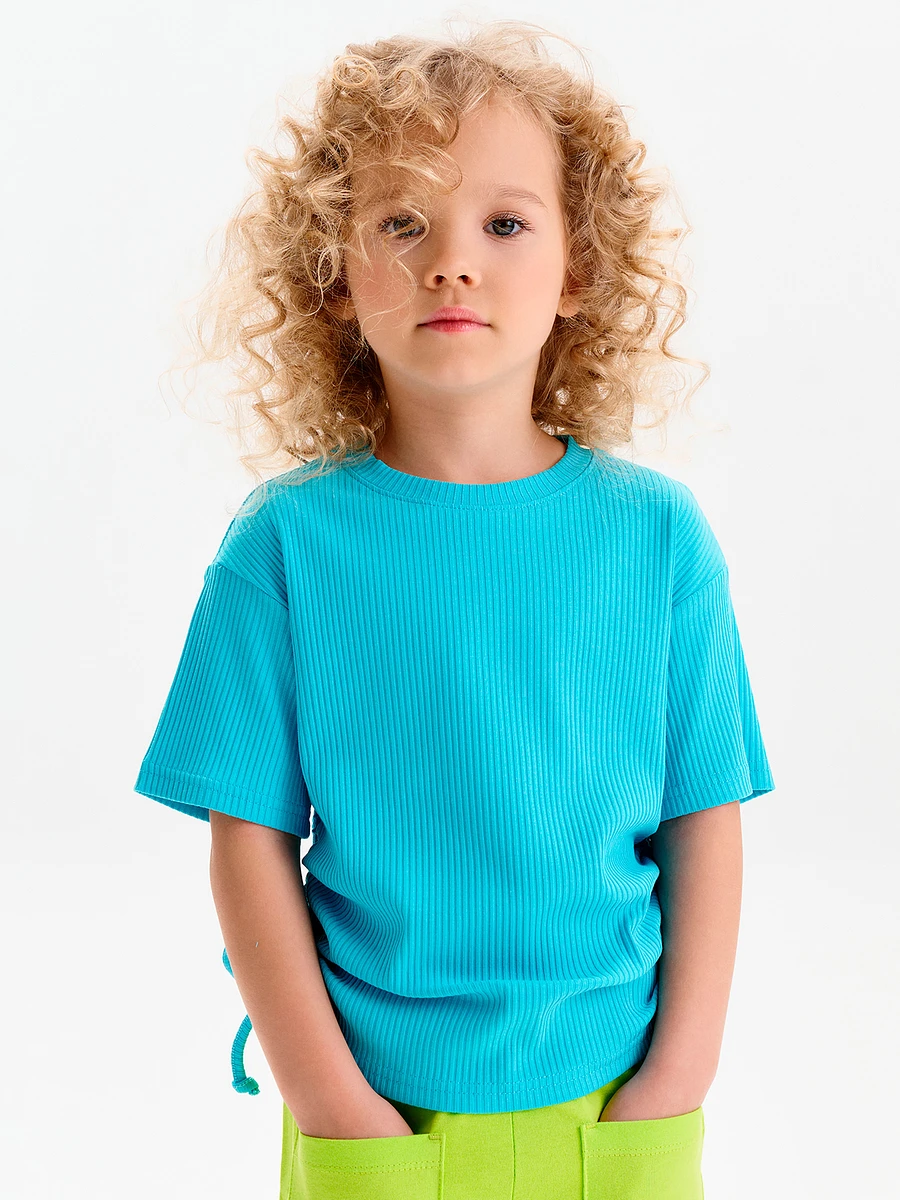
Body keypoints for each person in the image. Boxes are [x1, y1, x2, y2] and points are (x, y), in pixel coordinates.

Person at [134, 20, 775, 1200]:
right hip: (378, 1120)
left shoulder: (661, 539)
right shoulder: (284, 547)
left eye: (505, 223)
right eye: (400, 223)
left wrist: (675, 1084)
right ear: (336, 274)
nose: (450, 262)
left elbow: (706, 822)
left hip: (615, 1112)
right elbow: (247, 842)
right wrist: (334, 1107)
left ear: (578, 268)